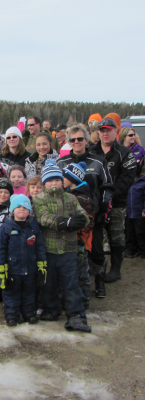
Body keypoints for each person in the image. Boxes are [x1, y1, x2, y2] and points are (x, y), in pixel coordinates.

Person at [33, 159, 91, 332]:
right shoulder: (39, 199)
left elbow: (83, 216)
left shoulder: (71, 198)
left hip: (68, 249)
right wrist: (63, 223)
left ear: (62, 181)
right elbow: (43, 217)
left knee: (71, 283)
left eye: (57, 180)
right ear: (45, 183)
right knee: (49, 283)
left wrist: (81, 220)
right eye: (50, 180)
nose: (54, 183)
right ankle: (51, 309)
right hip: (48, 249)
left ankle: (76, 315)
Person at [57, 124, 113, 298]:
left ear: (87, 140)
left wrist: (103, 209)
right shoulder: (62, 162)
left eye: (80, 139)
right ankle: (72, 285)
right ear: (68, 142)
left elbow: (108, 186)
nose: (77, 142)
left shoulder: (98, 161)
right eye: (72, 140)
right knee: (72, 251)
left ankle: (100, 281)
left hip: (92, 213)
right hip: (68, 215)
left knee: (95, 250)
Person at [90, 118, 136, 285]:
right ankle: (97, 268)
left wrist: (110, 195)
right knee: (96, 237)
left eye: (108, 130)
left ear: (115, 131)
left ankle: (116, 269)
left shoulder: (124, 152)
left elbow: (128, 178)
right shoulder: (92, 151)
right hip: (96, 203)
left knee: (116, 235)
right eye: (102, 130)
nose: (105, 133)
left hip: (117, 203)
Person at [0, 194, 46, 326]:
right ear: (12, 210)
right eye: (18, 207)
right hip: (13, 269)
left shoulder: (33, 227)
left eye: (25, 207)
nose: (22, 210)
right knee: (11, 294)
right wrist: (2, 270)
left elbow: (40, 247)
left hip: (30, 268)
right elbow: (1, 250)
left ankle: (29, 314)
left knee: (29, 293)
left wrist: (42, 266)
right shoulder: (6, 228)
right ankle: (12, 316)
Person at [62, 162, 95, 309]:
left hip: (81, 242)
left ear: (73, 178)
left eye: (64, 176)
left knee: (81, 273)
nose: (62, 178)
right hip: (74, 241)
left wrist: (80, 241)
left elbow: (87, 223)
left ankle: (83, 301)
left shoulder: (82, 198)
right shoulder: (72, 194)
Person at [124, 167, 145, 258]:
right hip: (128, 212)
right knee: (129, 232)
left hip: (139, 213)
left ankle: (142, 251)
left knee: (140, 233)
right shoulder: (127, 182)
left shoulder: (142, 183)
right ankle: (130, 250)